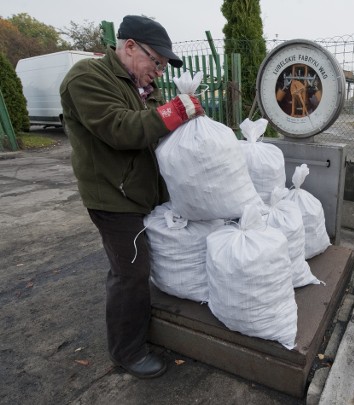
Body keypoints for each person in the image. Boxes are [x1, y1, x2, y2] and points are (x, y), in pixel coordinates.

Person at [59, 15, 204, 379]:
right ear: (129, 47)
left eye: (163, 66)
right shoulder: (86, 79)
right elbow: (121, 129)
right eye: (156, 62)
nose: (159, 71)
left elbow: (150, 135)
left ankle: (144, 328)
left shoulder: (135, 86)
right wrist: (175, 111)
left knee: (142, 265)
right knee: (130, 273)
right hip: (112, 197)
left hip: (139, 192)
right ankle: (127, 352)